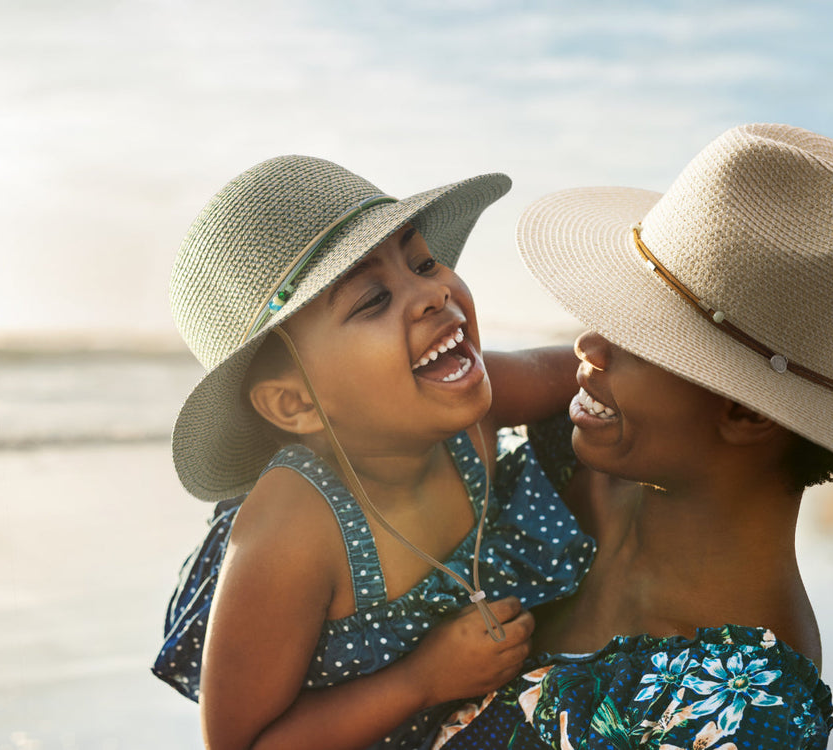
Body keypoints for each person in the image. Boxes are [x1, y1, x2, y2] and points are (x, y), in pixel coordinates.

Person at [431, 123, 833, 749]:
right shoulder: (576, 440)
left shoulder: (741, 718)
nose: (587, 345)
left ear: (746, 413)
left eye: (643, 335)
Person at [153, 155, 599, 750]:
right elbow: (239, 745)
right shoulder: (293, 527)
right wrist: (420, 682)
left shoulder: (470, 408)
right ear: (296, 403)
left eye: (422, 262)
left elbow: (600, 371)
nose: (432, 293)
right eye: (372, 300)